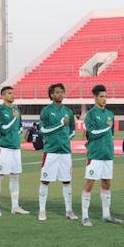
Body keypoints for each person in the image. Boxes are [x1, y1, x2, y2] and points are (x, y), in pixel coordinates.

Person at [81, 85, 122, 227]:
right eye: (101, 96)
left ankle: (106, 215)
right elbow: (92, 133)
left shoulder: (110, 114)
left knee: (106, 183)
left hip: (107, 155)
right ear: (95, 97)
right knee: (89, 183)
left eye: (105, 96)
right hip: (95, 154)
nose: (104, 99)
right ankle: (85, 216)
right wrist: (106, 127)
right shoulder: (90, 115)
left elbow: (110, 135)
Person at [37, 83, 77, 222]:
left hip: (65, 152)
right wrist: (60, 125)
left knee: (67, 181)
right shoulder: (46, 111)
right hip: (51, 152)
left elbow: (72, 131)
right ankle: (42, 210)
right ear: (52, 95)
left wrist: (66, 138)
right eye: (57, 92)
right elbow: (43, 130)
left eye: (62, 92)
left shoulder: (69, 112)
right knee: (45, 181)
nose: (60, 94)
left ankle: (69, 210)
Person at [0, 86, 29, 217]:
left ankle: (15, 206)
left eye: (13, 93)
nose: (12, 95)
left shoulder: (16, 110)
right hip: (3, 148)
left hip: (15, 148)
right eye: (9, 93)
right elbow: (3, 129)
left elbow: (20, 127)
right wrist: (14, 119)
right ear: (3, 96)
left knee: (15, 177)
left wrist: (18, 132)